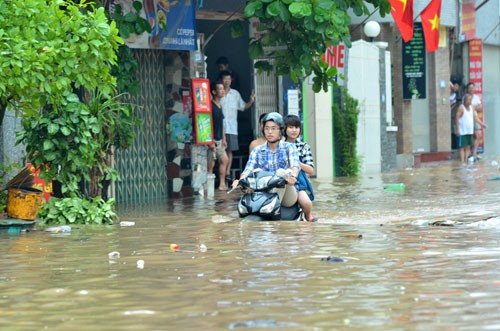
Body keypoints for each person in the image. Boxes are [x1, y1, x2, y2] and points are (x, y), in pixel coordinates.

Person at [232, 112, 316, 222]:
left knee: (281, 172)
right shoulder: (257, 150)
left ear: (281, 130)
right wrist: (240, 180)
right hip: (264, 192)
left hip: (288, 193)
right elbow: (248, 169)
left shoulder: (289, 147)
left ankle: (307, 217)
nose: (270, 132)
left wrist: (292, 176)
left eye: (274, 128)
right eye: (267, 128)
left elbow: (295, 166)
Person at [219, 70, 255, 182]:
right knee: (221, 151)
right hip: (220, 128)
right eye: (225, 79)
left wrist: (251, 100)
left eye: (229, 79)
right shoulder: (218, 93)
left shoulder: (235, 94)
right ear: (221, 80)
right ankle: (223, 173)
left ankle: (228, 172)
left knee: (230, 151)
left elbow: (243, 107)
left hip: (232, 128)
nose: (227, 81)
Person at [284, 115, 317, 222]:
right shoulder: (279, 145)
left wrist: (296, 163)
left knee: (307, 203)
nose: (294, 130)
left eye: (297, 127)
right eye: (291, 127)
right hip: (280, 180)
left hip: (297, 183)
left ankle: (308, 217)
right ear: (284, 129)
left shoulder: (304, 147)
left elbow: (311, 170)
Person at [207, 81, 229, 190]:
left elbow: (222, 124)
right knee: (211, 163)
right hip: (212, 139)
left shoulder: (220, 106)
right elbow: (207, 123)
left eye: (223, 89)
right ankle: (208, 187)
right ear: (214, 92)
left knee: (224, 160)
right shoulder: (211, 106)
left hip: (219, 139)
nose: (223, 91)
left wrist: (224, 138)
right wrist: (209, 140)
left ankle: (222, 184)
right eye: (220, 89)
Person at [465, 82, 487, 159]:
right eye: (470, 88)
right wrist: (474, 107)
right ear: (467, 89)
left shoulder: (476, 97)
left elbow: (480, 107)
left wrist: (474, 107)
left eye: (472, 87)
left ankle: (474, 153)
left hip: (475, 117)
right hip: (467, 119)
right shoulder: (465, 97)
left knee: (478, 135)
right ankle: (468, 153)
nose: (471, 89)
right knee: (469, 136)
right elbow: (467, 107)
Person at [455, 94, 477, 165]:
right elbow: (456, 118)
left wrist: (482, 124)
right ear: (464, 100)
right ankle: (462, 162)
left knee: (468, 147)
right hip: (463, 131)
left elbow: (475, 118)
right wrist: (458, 129)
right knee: (462, 148)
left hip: (469, 131)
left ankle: (467, 162)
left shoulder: (472, 107)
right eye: (468, 100)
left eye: (471, 100)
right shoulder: (461, 108)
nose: (469, 101)